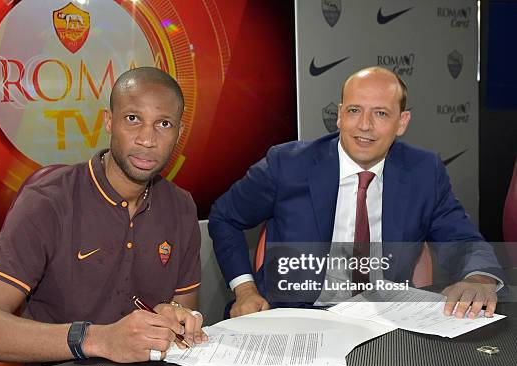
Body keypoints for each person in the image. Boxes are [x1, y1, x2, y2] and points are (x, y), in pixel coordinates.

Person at [209, 66, 505, 319]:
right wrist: (245, 290)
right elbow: (225, 217)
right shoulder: (288, 164)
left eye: (380, 113)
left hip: (384, 321)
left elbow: (462, 240)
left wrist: (479, 277)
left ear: (402, 123)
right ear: (339, 116)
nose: (364, 125)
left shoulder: (424, 172)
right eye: (354, 110)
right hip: (296, 317)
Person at [0, 67, 207, 366]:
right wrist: (100, 340)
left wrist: (174, 315)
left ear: (178, 134)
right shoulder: (48, 200)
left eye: (163, 124)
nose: (147, 139)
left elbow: (184, 314)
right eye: (133, 119)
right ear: (108, 121)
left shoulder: (181, 206)